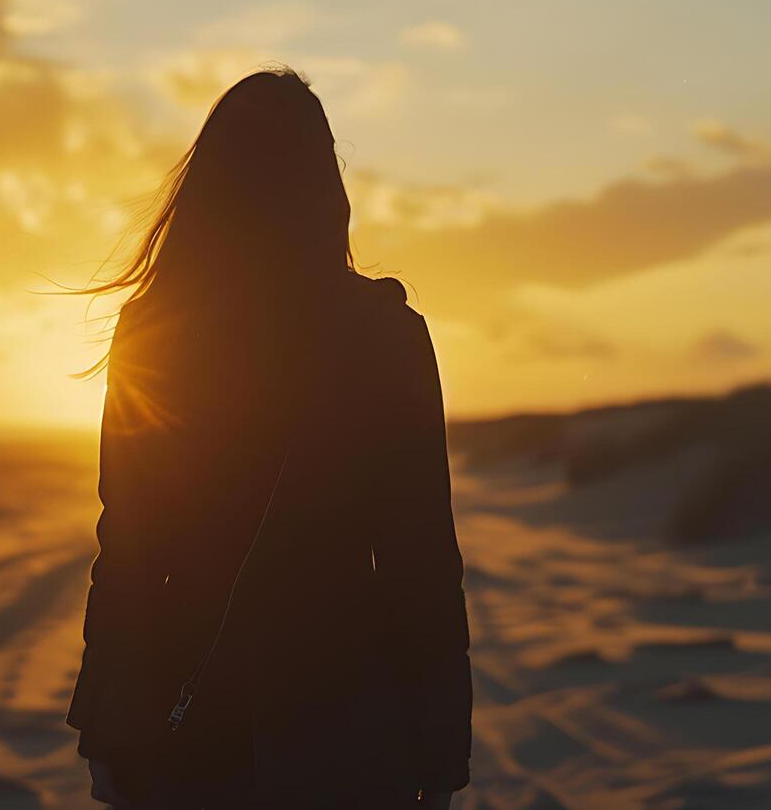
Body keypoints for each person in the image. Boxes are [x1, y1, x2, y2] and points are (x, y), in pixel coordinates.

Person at [65, 68, 471, 809]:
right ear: (326, 187)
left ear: (209, 187)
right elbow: (421, 566)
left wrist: (107, 732)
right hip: (349, 737)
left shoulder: (156, 332)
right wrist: (439, 759)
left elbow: (128, 547)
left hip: (188, 731)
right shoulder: (386, 334)